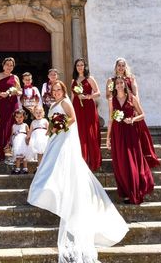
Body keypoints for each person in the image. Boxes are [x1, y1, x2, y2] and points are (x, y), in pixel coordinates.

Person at [28, 82, 128, 263]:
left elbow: (73, 118)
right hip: (55, 137)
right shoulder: (51, 105)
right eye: (54, 90)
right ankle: (49, 191)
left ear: (63, 91)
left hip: (64, 137)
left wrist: (60, 125)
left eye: (59, 89)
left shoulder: (66, 102)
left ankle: (56, 191)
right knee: (50, 164)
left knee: (59, 164)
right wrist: (51, 128)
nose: (57, 92)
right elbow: (52, 121)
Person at [107, 76, 155, 204]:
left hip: (130, 133)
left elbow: (142, 114)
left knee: (132, 160)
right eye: (117, 83)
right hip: (117, 134)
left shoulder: (132, 98)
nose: (119, 85)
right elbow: (110, 119)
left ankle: (136, 190)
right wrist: (108, 138)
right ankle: (127, 192)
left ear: (125, 84)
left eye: (121, 82)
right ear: (114, 86)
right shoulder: (111, 100)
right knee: (121, 162)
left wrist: (132, 119)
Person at [106, 58, 159, 168]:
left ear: (125, 67)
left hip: (131, 110)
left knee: (137, 138)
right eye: (119, 65)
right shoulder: (111, 81)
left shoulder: (131, 79)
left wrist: (134, 110)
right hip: (118, 108)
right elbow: (108, 95)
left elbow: (136, 94)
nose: (120, 68)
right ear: (115, 67)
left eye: (123, 65)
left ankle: (139, 161)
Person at [70, 58, 102, 171]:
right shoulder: (73, 80)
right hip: (77, 107)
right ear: (75, 67)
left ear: (85, 66)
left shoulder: (90, 79)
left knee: (89, 131)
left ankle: (92, 159)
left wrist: (88, 96)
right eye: (78, 65)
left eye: (82, 65)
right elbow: (72, 96)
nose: (80, 67)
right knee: (80, 131)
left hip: (88, 107)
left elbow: (98, 93)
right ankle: (82, 158)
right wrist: (71, 110)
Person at [0, 57, 22, 159]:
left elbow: (20, 91)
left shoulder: (15, 77)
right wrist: (1, 93)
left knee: (12, 125)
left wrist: (13, 91)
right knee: (1, 126)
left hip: (12, 105)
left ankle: (12, 149)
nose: (9, 67)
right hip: (1, 104)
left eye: (11, 65)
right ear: (3, 65)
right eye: (7, 65)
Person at [9, 109, 30, 174]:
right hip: (17, 142)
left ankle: (25, 168)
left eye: (21, 117)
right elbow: (12, 135)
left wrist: (28, 141)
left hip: (23, 142)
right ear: (15, 117)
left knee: (24, 156)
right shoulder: (14, 126)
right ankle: (17, 169)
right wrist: (10, 142)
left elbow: (28, 134)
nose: (19, 118)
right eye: (17, 117)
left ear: (24, 117)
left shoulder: (25, 125)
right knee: (17, 156)